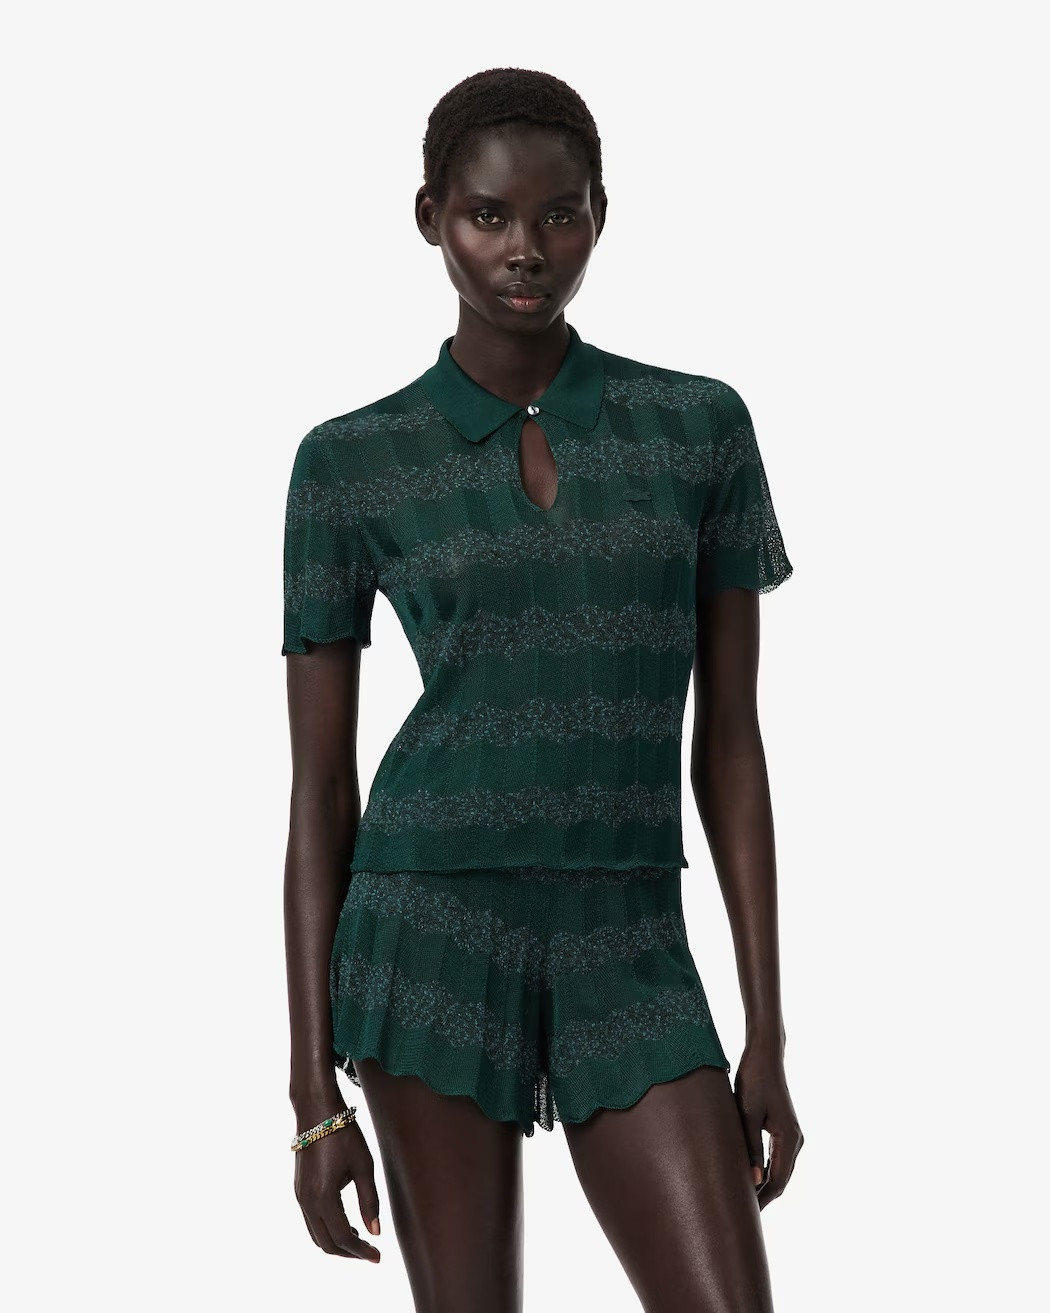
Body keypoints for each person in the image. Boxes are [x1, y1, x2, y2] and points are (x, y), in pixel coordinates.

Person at [282, 66, 803, 1312]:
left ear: (600, 215)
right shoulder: (350, 463)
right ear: (431, 218)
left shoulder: (697, 429)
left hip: (631, 935)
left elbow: (731, 744)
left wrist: (766, 1031)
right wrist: (312, 1098)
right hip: (428, 931)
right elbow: (319, 793)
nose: (526, 247)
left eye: (560, 214)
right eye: (488, 215)